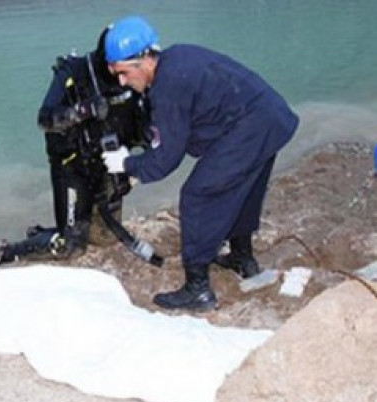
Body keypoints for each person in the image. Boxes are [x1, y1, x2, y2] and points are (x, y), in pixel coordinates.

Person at [101, 16, 299, 311]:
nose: (122, 82)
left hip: (252, 125)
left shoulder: (167, 87)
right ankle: (242, 258)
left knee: (197, 195)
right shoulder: (178, 58)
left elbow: (165, 160)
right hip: (270, 116)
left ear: (144, 60)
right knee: (242, 187)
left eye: (123, 73)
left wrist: (127, 164)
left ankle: (198, 289)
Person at [0, 27, 152, 268]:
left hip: (109, 163)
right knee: (71, 246)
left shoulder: (139, 77)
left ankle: (42, 233)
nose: (121, 79)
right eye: (115, 68)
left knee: (104, 239)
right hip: (73, 165)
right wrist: (82, 111)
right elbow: (44, 119)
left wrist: (136, 168)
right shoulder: (75, 72)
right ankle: (6, 252)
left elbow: (150, 133)